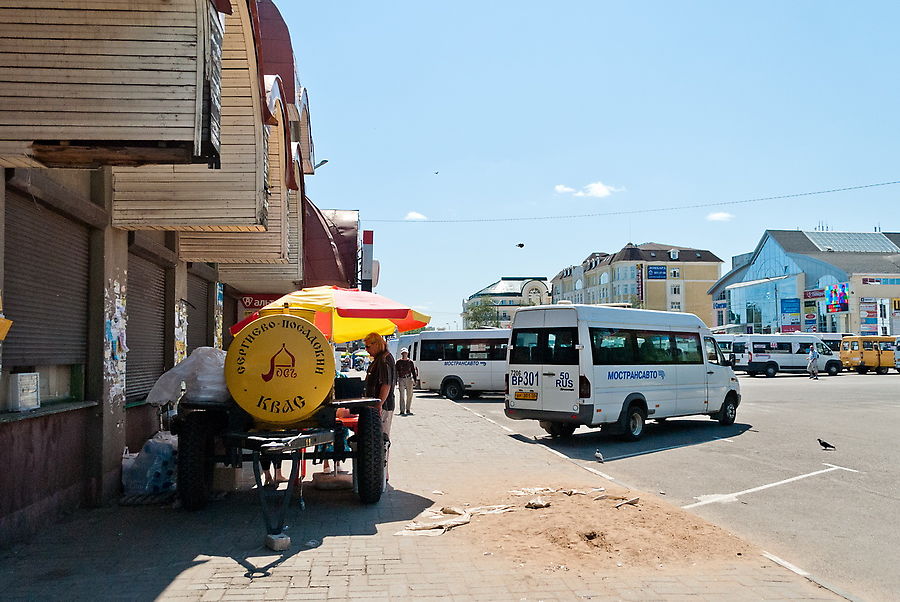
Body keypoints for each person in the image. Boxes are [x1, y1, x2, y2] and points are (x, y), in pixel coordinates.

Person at [363, 332, 396, 475]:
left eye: (368, 346)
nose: (366, 349)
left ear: (376, 344)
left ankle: (383, 473)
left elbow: (386, 384)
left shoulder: (384, 359)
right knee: (379, 439)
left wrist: (379, 404)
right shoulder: (379, 359)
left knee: (382, 439)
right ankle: (381, 472)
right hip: (377, 406)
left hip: (383, 407)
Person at [395, 348, 418, 416]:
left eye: (405, 353)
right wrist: (396, 380)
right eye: (403, 353)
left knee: (409, 394)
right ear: (401, 354)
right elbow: (396, 371)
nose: (404, 354)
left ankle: (408, 409)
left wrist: (415, 380)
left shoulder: (410, 362)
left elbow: (413, 371)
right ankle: (402, 410)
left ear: (407, 353)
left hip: (409, 378)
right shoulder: (398, 362)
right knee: (402, 395)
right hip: (401, 378)